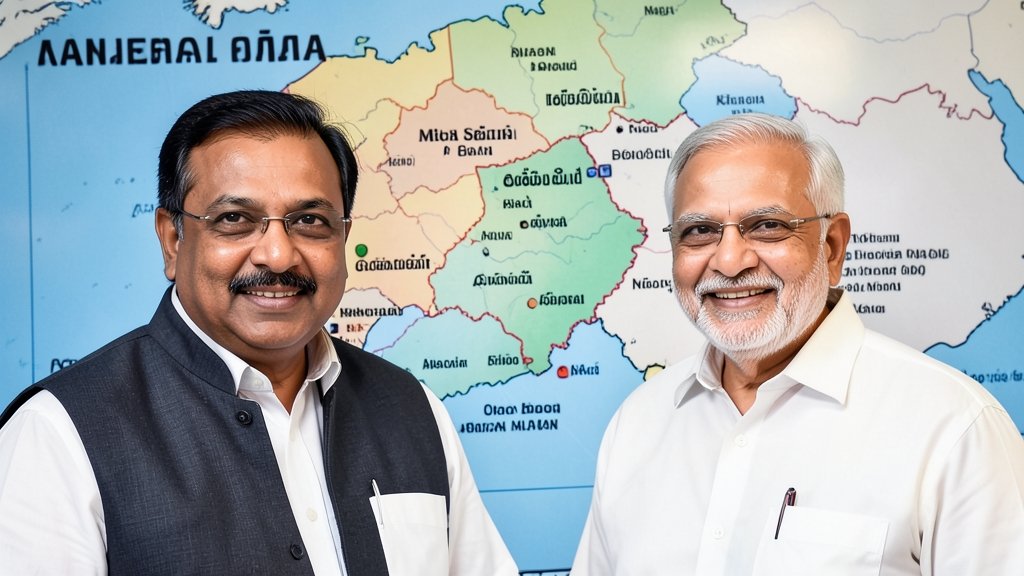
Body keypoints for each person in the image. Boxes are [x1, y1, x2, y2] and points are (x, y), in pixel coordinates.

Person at [0, 90, 518, 576]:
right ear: (171, 239)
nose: (277, 254)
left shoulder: (411, 407)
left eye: (310, 220)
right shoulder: (57, 436)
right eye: (234, 219)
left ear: (343, 238)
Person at [572, 113, 1024, 575]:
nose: (729, 261)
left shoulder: (955, 430)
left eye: (767, 225)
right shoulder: (637, 424)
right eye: (700, 231)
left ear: (831, 247)